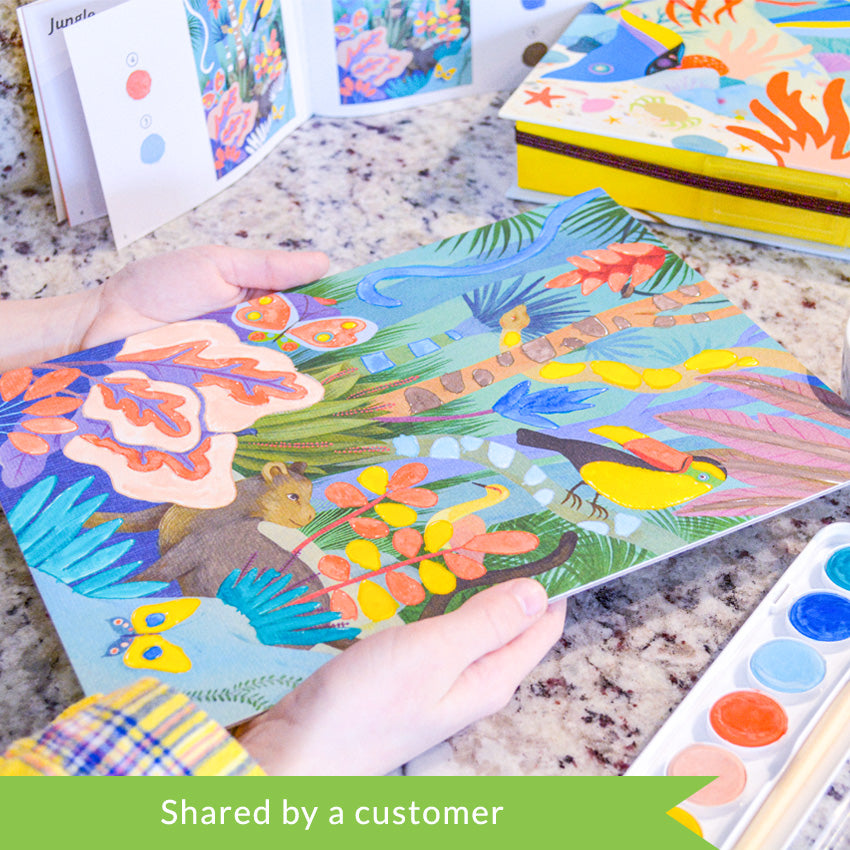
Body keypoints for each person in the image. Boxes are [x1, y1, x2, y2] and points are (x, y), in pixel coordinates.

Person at [0, 245, 567, 776]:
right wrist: (294, 755)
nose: (300, 511)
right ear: (273, 480)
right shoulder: (232, 496)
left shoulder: (244, 519)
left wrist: (83, 324)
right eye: (293, 499)